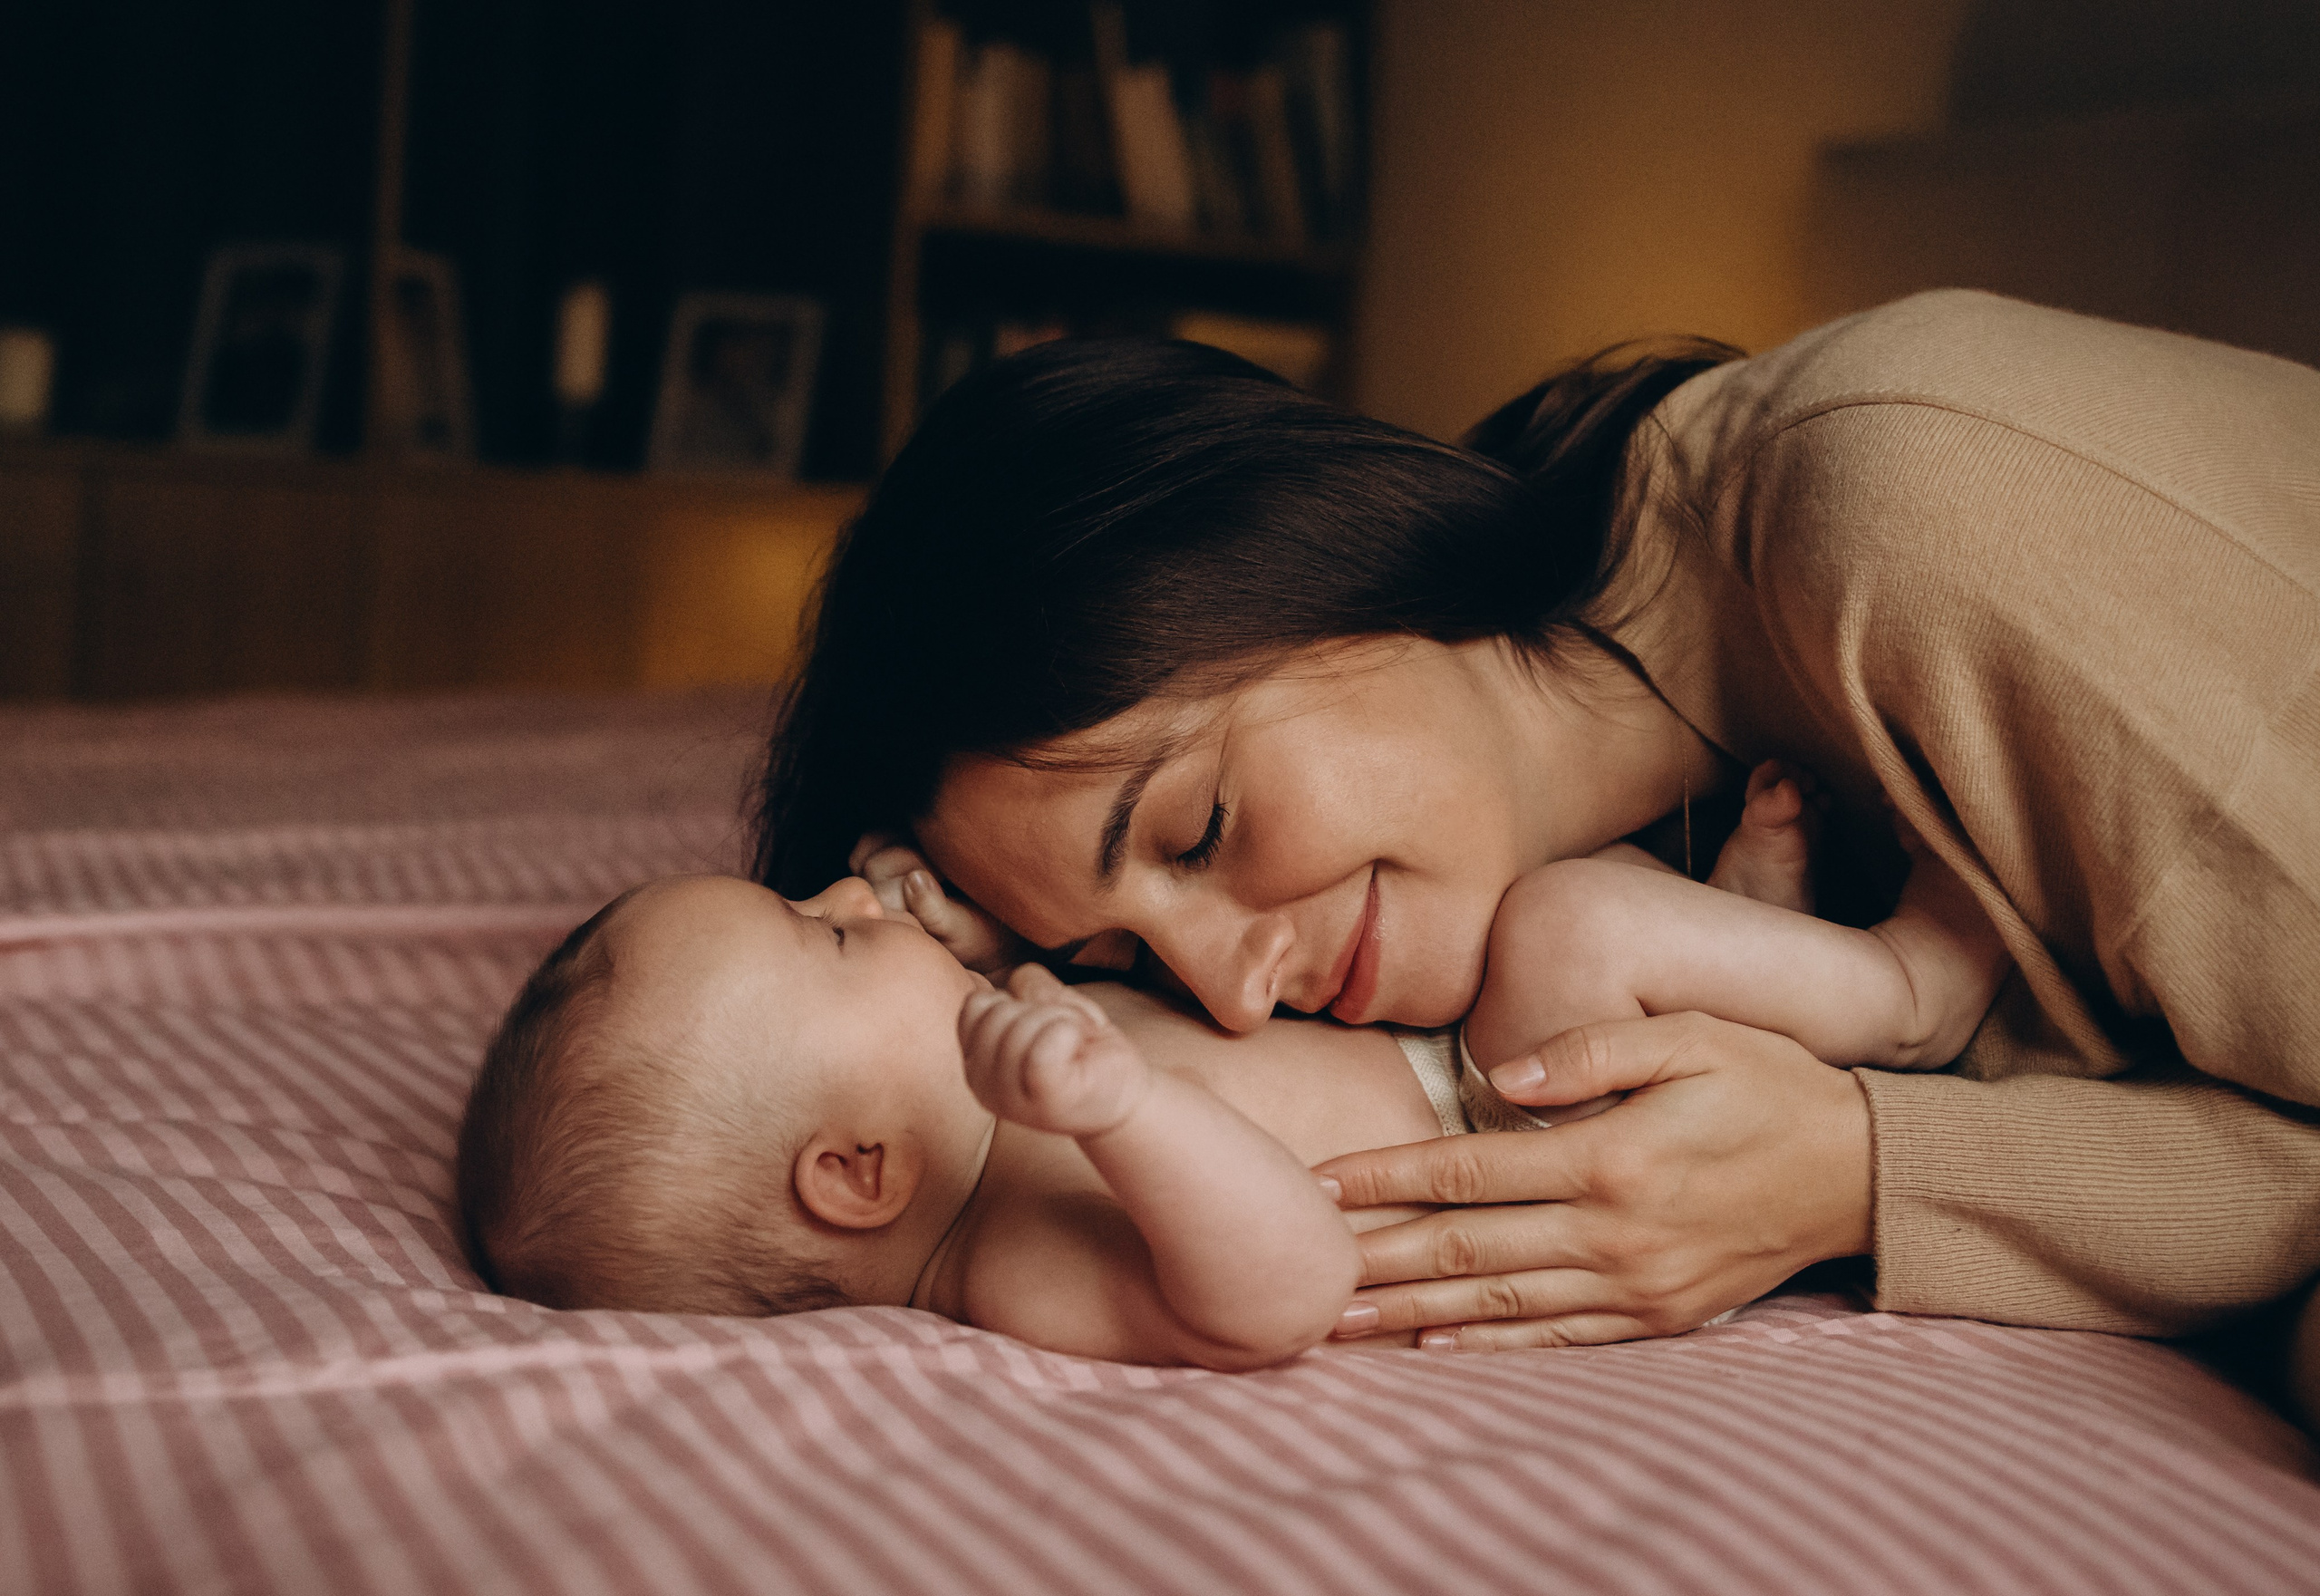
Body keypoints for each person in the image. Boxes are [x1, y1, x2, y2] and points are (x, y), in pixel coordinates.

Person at [752, 290, 2320, 1409]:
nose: (1230, 994)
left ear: (1295, 562)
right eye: (1121, 955)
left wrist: (1857, 1170)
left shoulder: (1913, 524)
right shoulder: (1588, 863)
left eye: (1200, 827)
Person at [454, 771, 2006, 1364]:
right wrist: (1130, 1111)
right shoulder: (1018, 1266)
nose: (852, 899)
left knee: (1545, 909)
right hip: (1518, 1153)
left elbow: (1087, 971)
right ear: (859, 1171)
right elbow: (1287, 1286)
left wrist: (961, 925)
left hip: (1474, 1063)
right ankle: (1906, 995)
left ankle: (1762, 948)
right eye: (828, 940)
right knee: (1570, 926)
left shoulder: (994, 1083)